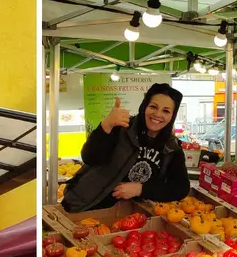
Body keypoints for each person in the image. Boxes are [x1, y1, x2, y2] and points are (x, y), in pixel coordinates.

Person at [61, 83, 191, 212]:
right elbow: (90, 157)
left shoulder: (171, 147)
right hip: (88, 205)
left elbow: (180, 188)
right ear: (145, 106)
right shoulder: (122, 128)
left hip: (130, 215)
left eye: (166, 111)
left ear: (172, 116)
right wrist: (106, 125)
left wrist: (139, 189)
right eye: (153, 107)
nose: (157, 114)